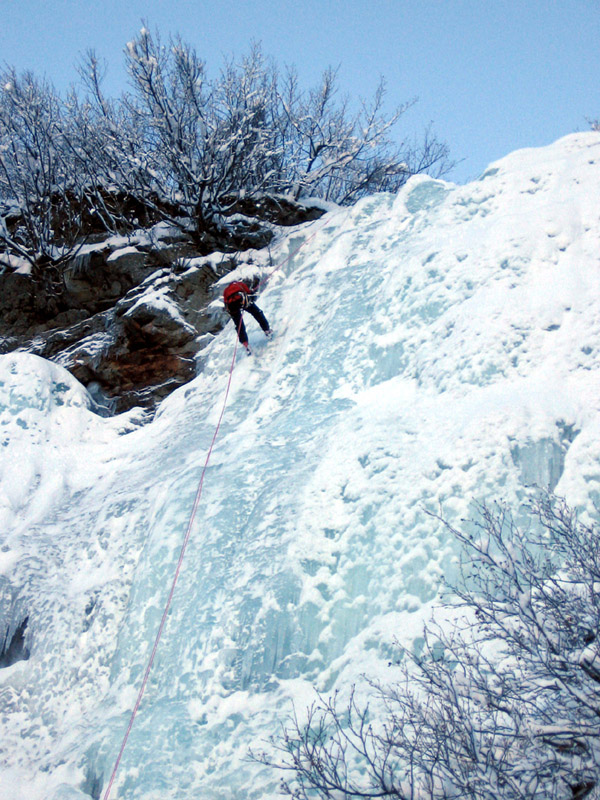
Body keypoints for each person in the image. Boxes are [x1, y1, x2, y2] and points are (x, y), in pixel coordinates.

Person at [223, 278, 272, 355]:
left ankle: (245, 344)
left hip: (232, 306)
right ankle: (267, 330)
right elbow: (248, 292)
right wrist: (251, 292)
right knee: (257, 313)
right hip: (243, 301)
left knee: (239, 324)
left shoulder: (226, 290)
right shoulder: (240, 284)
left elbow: (226, 302)